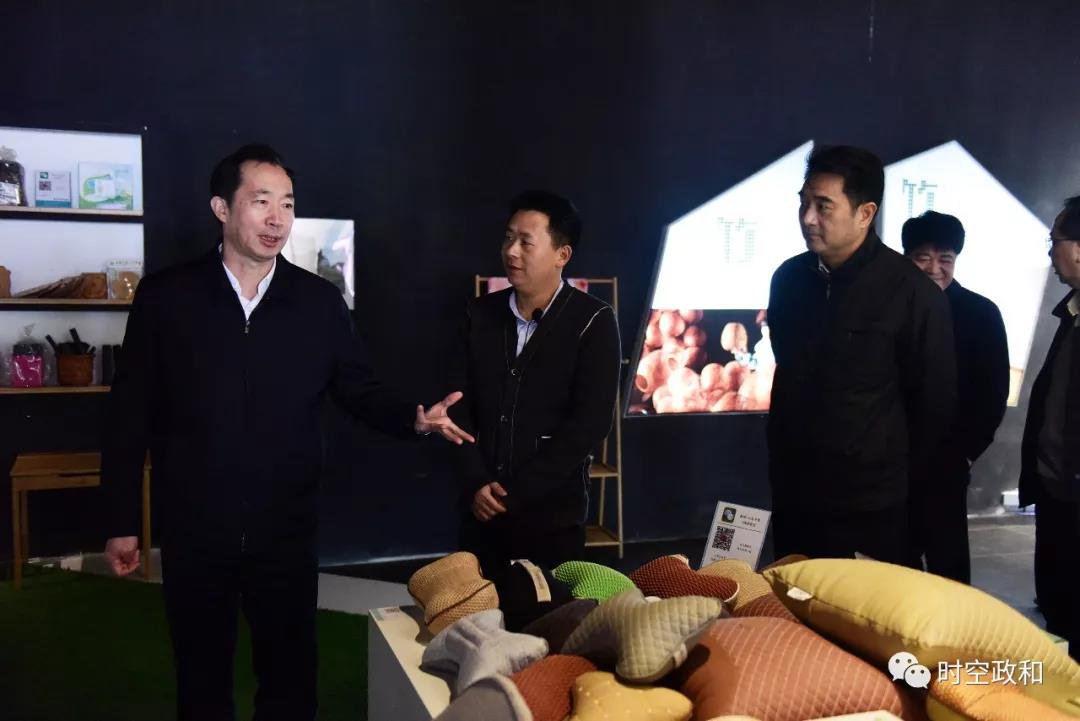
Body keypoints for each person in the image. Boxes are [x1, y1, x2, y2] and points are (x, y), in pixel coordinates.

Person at [100, 144, 472, 721]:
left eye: (288, 204)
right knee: (200, 675)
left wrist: (413, 418)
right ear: (222, 208)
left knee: (291, 677)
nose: (277, 218)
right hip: (195, 526)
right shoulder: (167, 298)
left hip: (285, 527)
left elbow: (359, 389)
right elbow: (130, 413)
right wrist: (121, 519)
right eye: (261, 201)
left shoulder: (318, 302)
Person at [766, 145, 956, 563]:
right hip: (795, 491)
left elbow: (933, 407)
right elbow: (788, 369)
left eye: (823, 206)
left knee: (858, 603)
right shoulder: (788, 280)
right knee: (792, 596)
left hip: (870, 505)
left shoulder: (911, 293)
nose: (808, 218)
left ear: (865, 213)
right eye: (803, 202)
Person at [447, 190, 621, 591]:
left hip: (551, 518)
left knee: (549, 619)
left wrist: (512, 493)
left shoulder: (593, 321)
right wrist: (476, 482)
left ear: (562, 254)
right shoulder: (478, 314)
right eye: (508, 238)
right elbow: (456, 406)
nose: (511, 251)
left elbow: (589, 424)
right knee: (475, 615)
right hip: (479, 511)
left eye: (526, 242)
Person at [902, 211, 1009, 583]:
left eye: (945, 259)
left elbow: (992, 392)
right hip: (890, 462)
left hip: (946, 461)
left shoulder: (981, 313)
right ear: (906, 258)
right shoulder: (889, 309)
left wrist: (965, 451)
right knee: (893, 565)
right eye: (922, 257)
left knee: (948, 565)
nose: (934, 268)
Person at [1020, 195, 1080, 660]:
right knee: (1060, 608)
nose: (1050, 251)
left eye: (1054, 239)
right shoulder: (1071, 314)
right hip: (1057, 492)